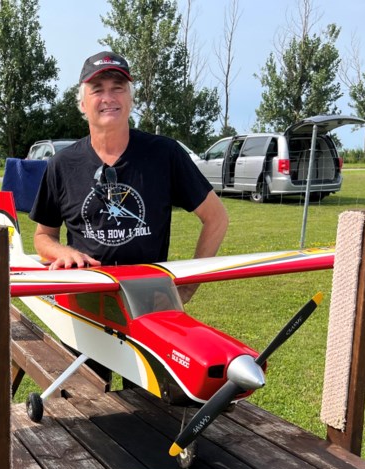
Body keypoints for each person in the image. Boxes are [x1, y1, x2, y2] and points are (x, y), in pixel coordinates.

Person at [28, 50, 229, 305]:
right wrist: (64, 252)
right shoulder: (62, 164)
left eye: (118, 88)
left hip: (149, 303)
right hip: (83, 305)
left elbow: (217, 218)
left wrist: (187, 288)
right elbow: (43, 236)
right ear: (82, 103)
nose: (108, 98)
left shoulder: (165, 154)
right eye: (97, 89)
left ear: (130, 99)